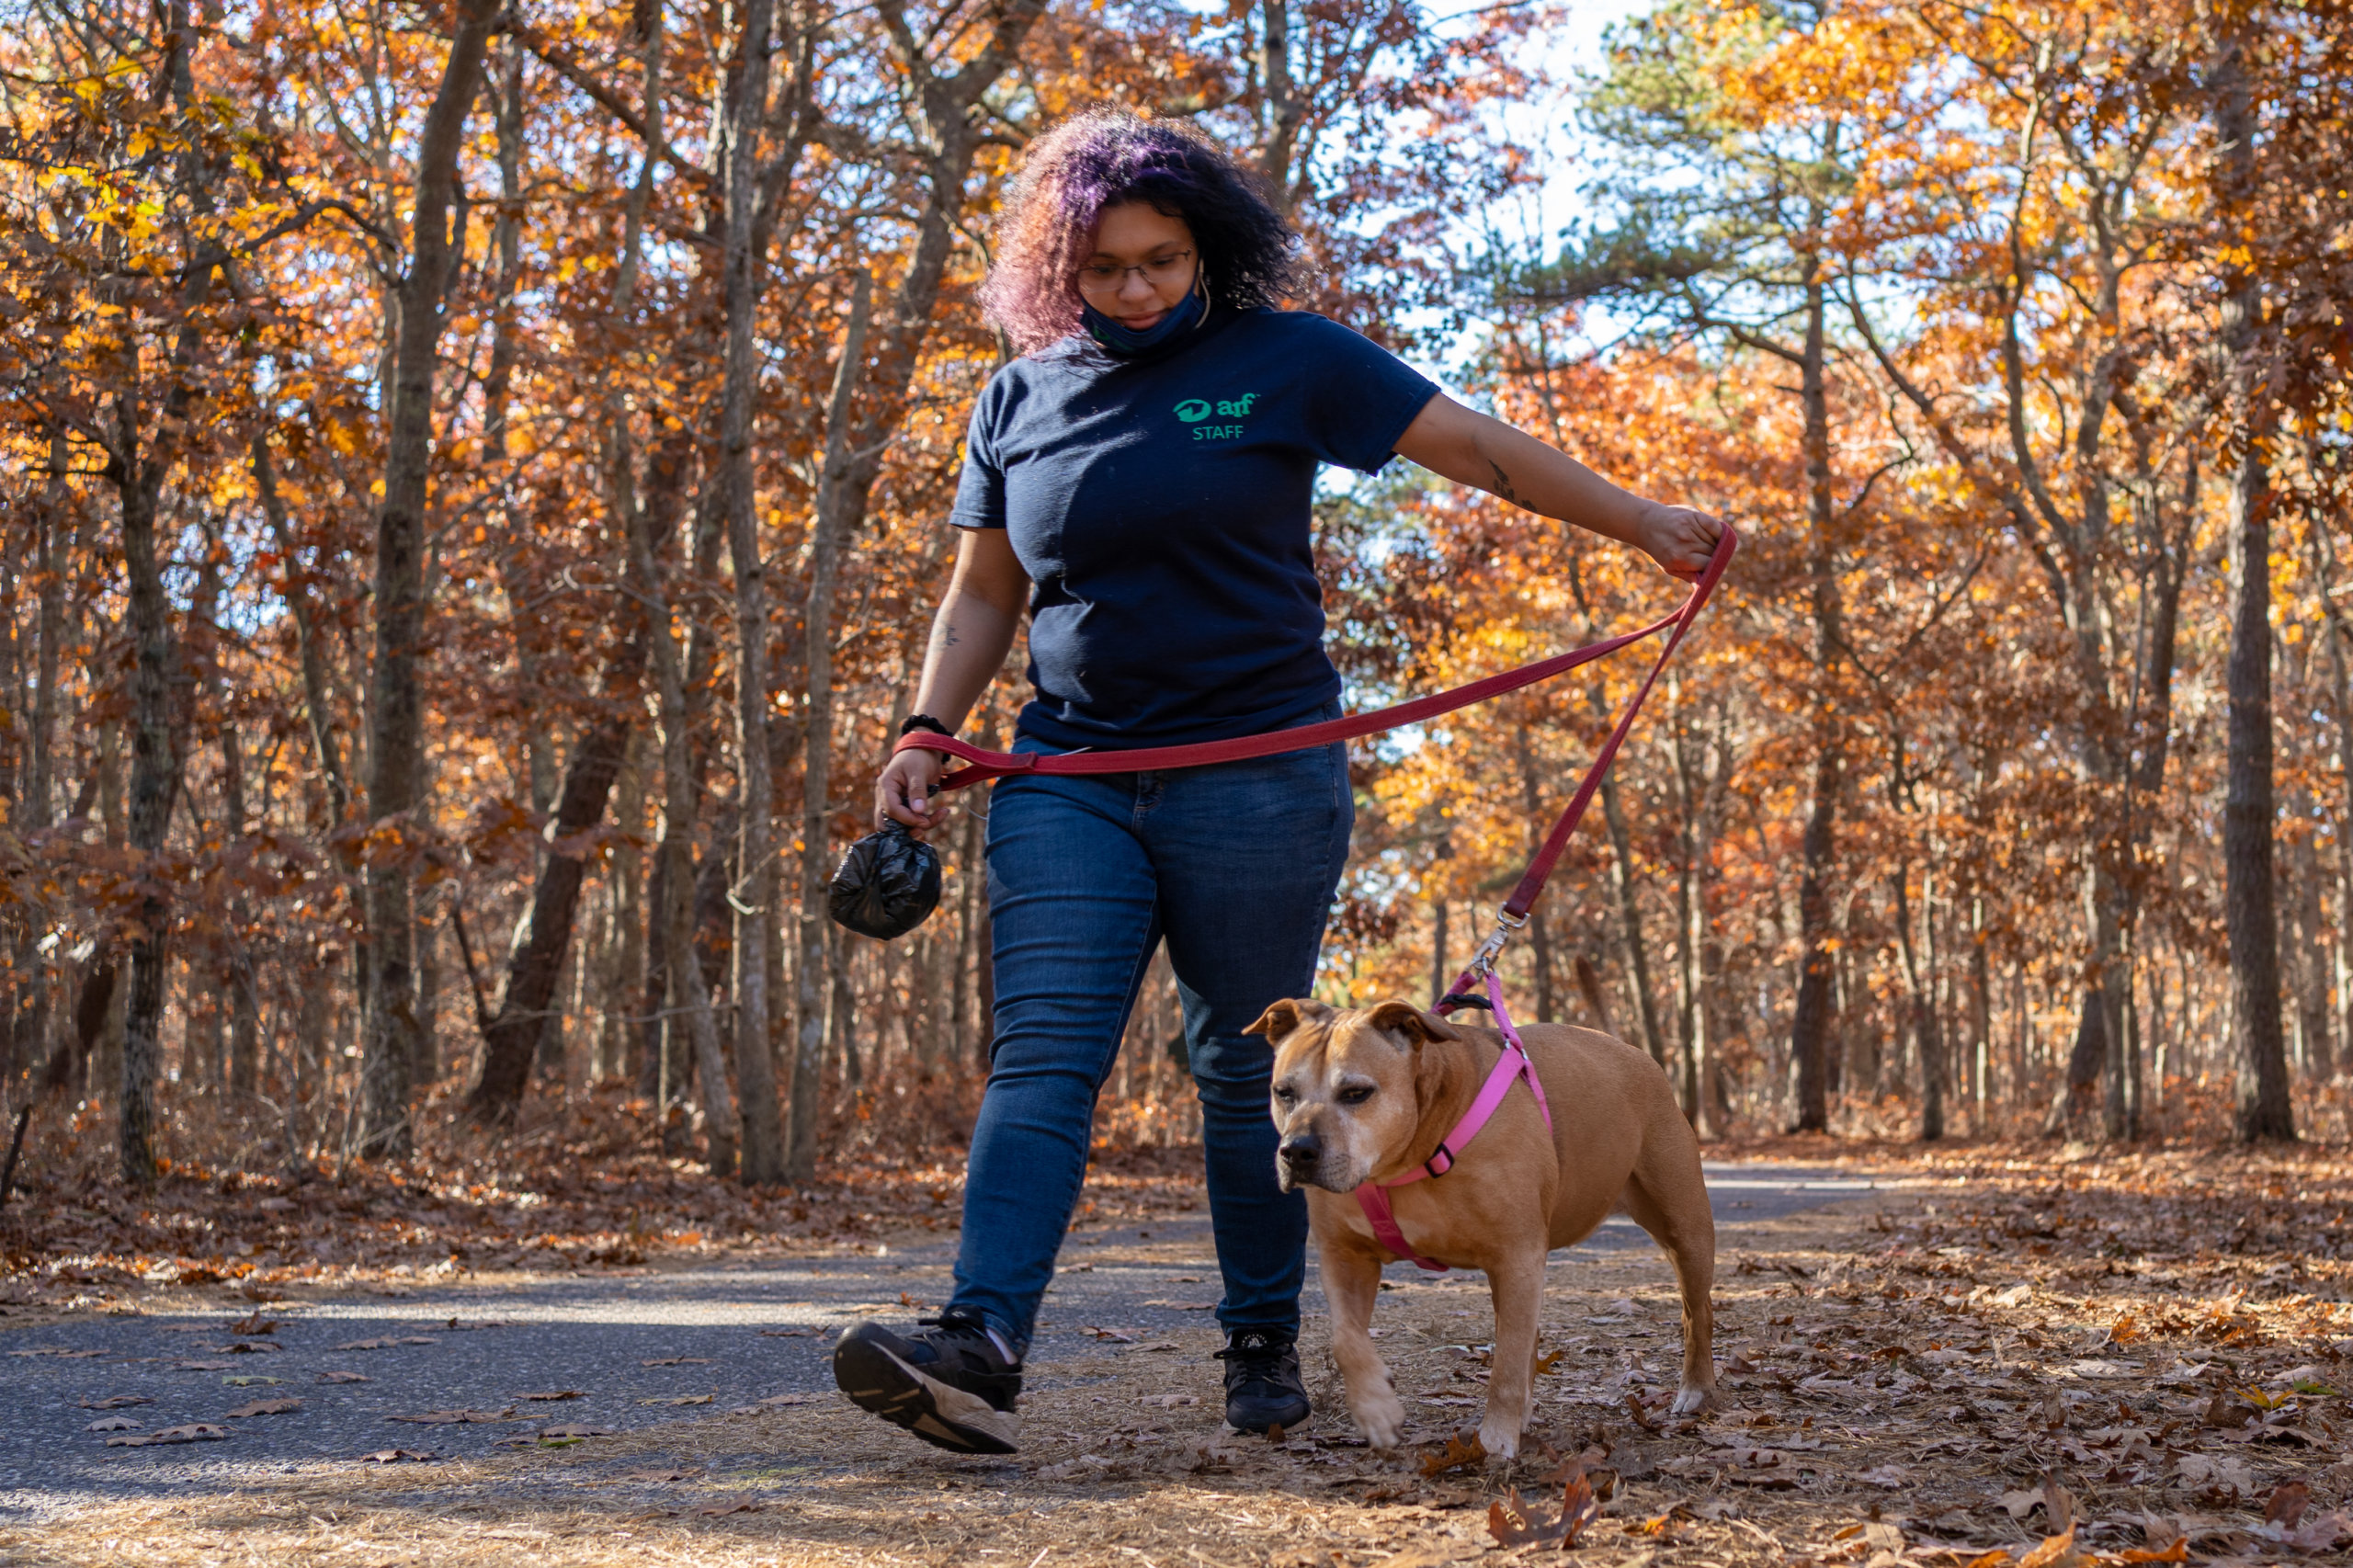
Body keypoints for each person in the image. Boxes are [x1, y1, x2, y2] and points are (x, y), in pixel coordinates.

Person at [830, 109, 1724, 1456]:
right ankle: (982, 1337)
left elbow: (1470, 442)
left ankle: (1260, 1340)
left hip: (1256, 773)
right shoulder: (1018, 398)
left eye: (1163, 261)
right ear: (1056, 269)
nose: (1135, 288)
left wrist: (1641, 519)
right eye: (1105, 267)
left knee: (1236, 1062)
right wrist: (923, 727)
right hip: (1068, 768)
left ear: (1208, 252)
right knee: (1044, 1051)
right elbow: (982, 589)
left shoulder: (1285, 357)